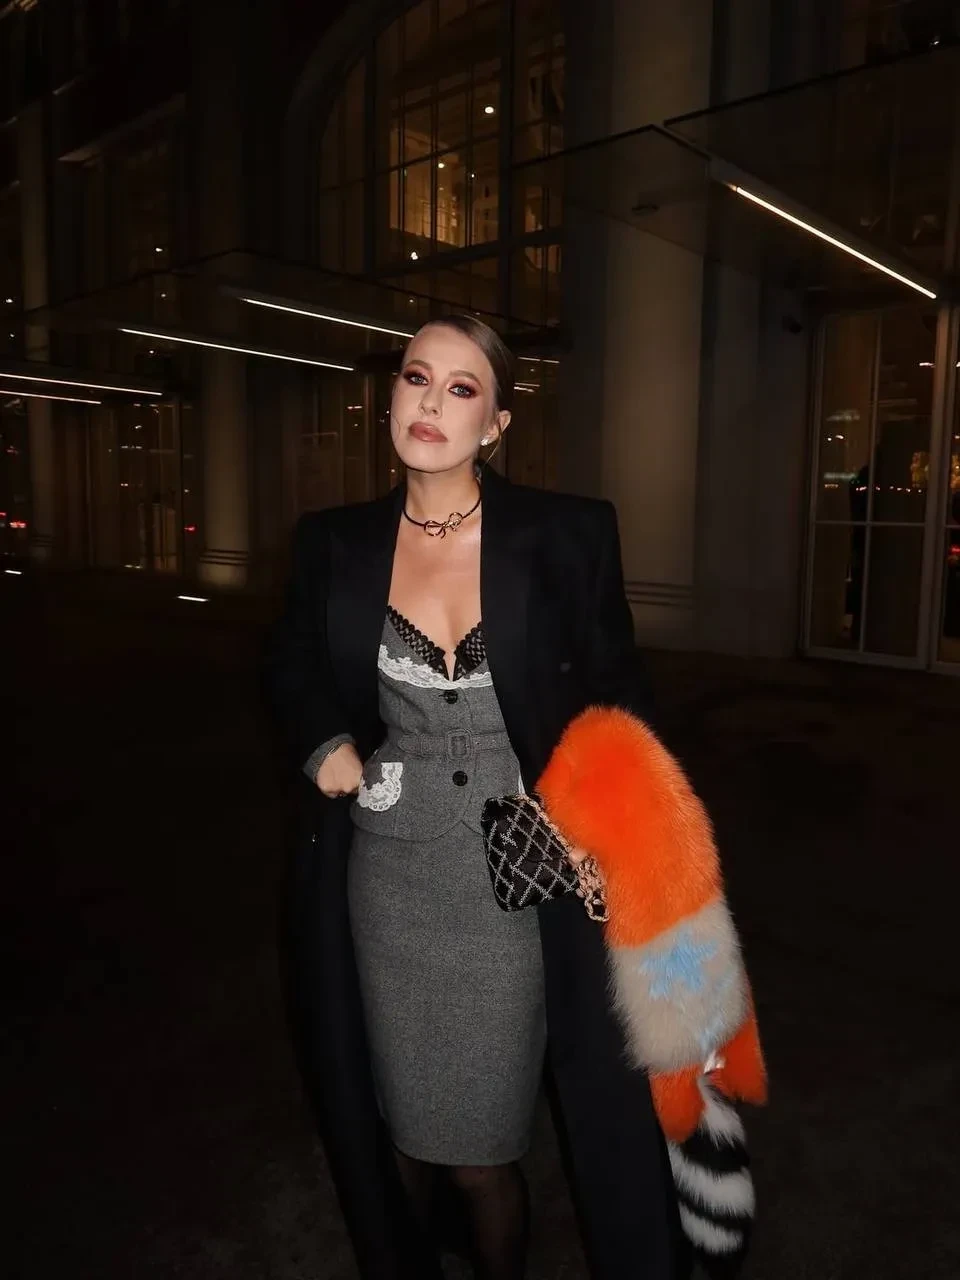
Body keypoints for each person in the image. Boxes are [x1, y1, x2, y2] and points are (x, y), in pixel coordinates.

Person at [263, 315, 685, 1280]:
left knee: (484, 1152)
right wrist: (326, 744)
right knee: (405, 1139)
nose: (431, 401)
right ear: (391, 398)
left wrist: (604, 821)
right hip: (391, 879)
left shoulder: (567, 533)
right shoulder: (333, 542)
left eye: (462, 388)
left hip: (521, 875)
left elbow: (621, 694)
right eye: (417, 377)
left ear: (495, 424)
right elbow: (290, 658)